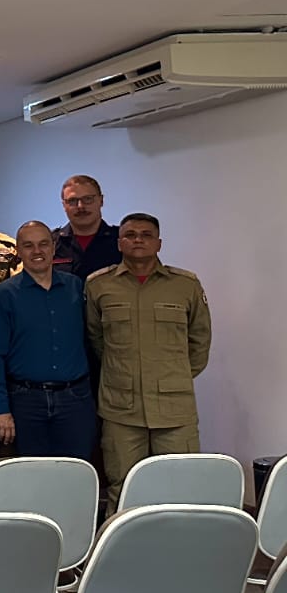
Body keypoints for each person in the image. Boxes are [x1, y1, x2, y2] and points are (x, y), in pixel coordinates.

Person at [86, 214, 211, 507]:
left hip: (174, 410)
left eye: (145, 234)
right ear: (119, 242)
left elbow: (200, 341)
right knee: (123, 487)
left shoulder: (185, 285)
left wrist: (171, 376)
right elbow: (96, 339)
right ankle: (121, 551)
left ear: (159, 243)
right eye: (130, 235)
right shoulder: (98, 285)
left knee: (181, 486)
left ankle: (177, 549)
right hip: (121, 409)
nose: (138, 240)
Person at [0, 221, 95, 462]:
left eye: (43, 244)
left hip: (74, 399)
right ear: (18, 252)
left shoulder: (77, 288)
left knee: (78, 472)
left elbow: (94, 340)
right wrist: (0, 409)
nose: (37, 251)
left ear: (54, 247)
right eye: (28, 245)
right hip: (26, 401)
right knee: (33, 476)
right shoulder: (3, 295)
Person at [54, 174, 121, 280]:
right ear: (64, 205)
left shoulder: (122, 240)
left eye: (88, 199)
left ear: (101, 201)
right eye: (72, 201)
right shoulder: (50, 243)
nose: (80, 206)